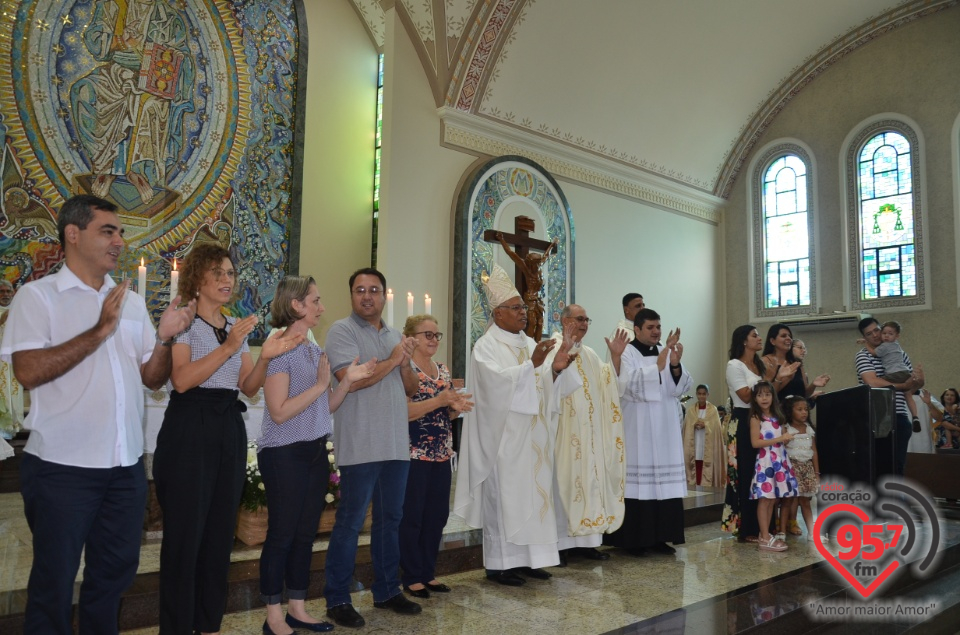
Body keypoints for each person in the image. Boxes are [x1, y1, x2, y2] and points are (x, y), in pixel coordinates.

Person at [0, 194, 196, 634]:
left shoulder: (128, 302)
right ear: (73, 234)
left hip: (123, 469)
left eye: (121, 232)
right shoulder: (39, 297)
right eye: (108, 231)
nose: (119, 241)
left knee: (113, 577)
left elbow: (151, 377)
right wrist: (98, 332)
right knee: (53, 581)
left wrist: (164, 339)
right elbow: (28, 372)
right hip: (61, 469)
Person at [154, 243, 297, 635]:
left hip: (226, 428)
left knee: (219, 536)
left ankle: (209, 623)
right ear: (197, 278)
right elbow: (181, 380)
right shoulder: (184, 323)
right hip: (189, 428)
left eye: (230, 273)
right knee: (185, 537)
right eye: (217, 272)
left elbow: (248, 388)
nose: (226, 279)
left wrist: (265, 356)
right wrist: (231, 345)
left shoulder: (232, 323)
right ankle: (178, 626)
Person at [257, 276, 375, 635]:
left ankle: (297, 607)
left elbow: (326, 407)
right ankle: (273, 615)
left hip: (311, 450)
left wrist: (346, 383)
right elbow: (278, 411)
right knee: (282, 535)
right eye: (316, 300)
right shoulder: (278, 347)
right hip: (283, 452)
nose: (322, 307)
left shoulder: (311, 347)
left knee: (306, 534)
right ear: (297, 305)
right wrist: (324, 386)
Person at [454, 263, 580, 587]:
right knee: (506, 500)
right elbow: (494, 386)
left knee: (534, 499)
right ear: (497, 314)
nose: (523, 312)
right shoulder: (485, 347)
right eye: (515, 308)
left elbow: (541, 384)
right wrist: (532, 366)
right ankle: (500, 565)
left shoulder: (527, 343)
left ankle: (530, 560)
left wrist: (554, 370)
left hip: (533, 438)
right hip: (505, 439)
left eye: (523, 307)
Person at [322, 268, 422, 628]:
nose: (367, 296)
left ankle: (387, 590)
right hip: (361, 442)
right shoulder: (341, 331)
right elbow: (351, 381)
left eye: (374, 290)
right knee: (350, 522)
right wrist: (394, 360)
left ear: (383, 296)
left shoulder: (396, 335)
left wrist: (405, 361)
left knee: (389, 520)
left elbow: (409, 388)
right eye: (360, 290)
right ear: (351, 295)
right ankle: (336, 598)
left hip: (395, 443)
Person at [603, 308, 691, 556]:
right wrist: (659, 365)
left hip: (664, 428)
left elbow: (680, 387)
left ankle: (660, 537)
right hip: (638, 427)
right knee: (638, 485)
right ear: (637, 329)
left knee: (663, 486)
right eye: (650, 328)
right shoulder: (628, 352)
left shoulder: (665, 350)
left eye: (658, 327)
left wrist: (675, 365)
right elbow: (626, 387)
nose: (656, 332)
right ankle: (634, 540)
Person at [544, 304, 626, 566]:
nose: (584, 324)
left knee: (590, 483)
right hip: (564, 432)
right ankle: (560, 545)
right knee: (564, 483)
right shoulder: (552, 347)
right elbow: (546, 383)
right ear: (564, 321)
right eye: (579, 319)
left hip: (590, 433)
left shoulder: (589, 354)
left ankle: (587, 542)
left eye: (587, 319)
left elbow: (609, 385)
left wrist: (614, 358)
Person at [399, 314, 473, 598]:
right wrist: (441, 400)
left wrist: (455, 406)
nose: (433, 340)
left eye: (436, 335)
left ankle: (428, 572)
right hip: (413, 454)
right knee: (412, 517)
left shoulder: (441, 369)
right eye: (427, 334)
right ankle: (412, 575)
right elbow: (405, 413)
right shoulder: (406, 370)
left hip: (442, 455)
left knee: (437, 516)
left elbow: (447, 411)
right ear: (411, 337)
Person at [855, 317, 923, 476]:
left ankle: (895, 499)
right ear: (865, 338)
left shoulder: (899, 353)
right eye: (869, 334)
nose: (875, 335)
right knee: (880, 466)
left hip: (899, 414)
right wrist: (903, 385)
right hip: (876, 417)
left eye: (877, 330)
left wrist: (919, 381)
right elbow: (872, 382)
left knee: (898, 466)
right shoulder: (863, 356)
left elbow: (911, 384)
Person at [722, 325, 765, 542]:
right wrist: (773, 376)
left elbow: (768, 393)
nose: (759, 338)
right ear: (744, 341)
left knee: (762, 471)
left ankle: (764, 525)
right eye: (754, 335)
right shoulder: (734, 365)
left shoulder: (758, 364)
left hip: (761, 419)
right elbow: (746, 396)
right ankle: (747, 527)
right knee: (747, 472)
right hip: (743, 419)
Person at [749, 382, 798, 552]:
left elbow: (782, 435)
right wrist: (779, 439)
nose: (764, 398)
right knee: (765, 499)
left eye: (767, 394)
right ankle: (764, 536)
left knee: (772, 499)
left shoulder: (778, 416)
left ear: (772, 397)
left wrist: (786, 438)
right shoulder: (756, 418)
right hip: (766, 461)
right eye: (760, 395)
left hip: (779, 459)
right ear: (755, 398)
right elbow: (755, 442)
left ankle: (766, 534)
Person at [760, 324, 830, 404]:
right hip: (778, 413)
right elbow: (765, 395)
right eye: (783, 336)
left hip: (797, 413)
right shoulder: (766, 361)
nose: (788, 338)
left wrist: (813, 384)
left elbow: (804, 395)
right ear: (773, 341)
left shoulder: (796, 362)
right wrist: (784, 379)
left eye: (789, 336)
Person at [782, 395, 819, 538]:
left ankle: (812, 533)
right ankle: (782, 533)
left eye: (806, 409)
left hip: (807, 468)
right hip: (792, 468)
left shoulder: (809, 429)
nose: (804, 412)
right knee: (788, 500)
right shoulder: (786, 429)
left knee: (805, 501)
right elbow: (781, 449)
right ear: (790, 411)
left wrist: (817, 472)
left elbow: (814, 451)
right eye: (799, 409)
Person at [879, 321, 921, 430]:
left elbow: (875, 352)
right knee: (908, 395)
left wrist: (865, 343)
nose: (886, 336)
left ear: (897, 336)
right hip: (905, 373)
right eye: (884, 333)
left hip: (895, 374)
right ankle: (915, 417)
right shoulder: (898, 348)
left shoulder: (884, 346)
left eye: (890, 333)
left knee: (878, 382)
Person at [682, 384, 726, 487]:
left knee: (706, 464)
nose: (701, 396)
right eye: (699, 394)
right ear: (696, 394)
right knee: (696, 463)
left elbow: (716, 429)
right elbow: (687, 426)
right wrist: (694, 424)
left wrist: (705, 425)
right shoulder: (691, 410)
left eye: (704, 394)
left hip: (708, 444)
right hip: (696, 442)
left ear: (707, 395)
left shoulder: (713, 410)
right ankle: (694, 486)